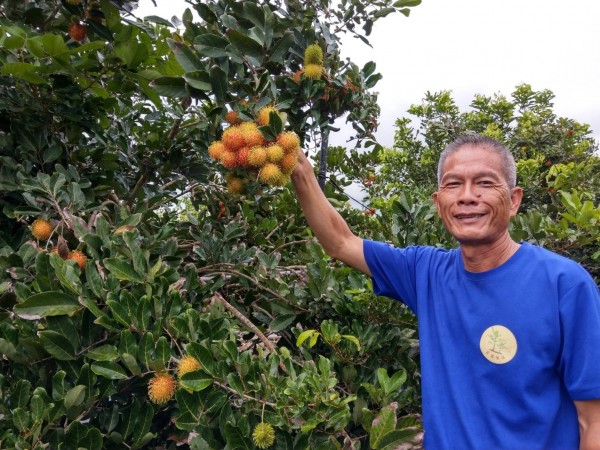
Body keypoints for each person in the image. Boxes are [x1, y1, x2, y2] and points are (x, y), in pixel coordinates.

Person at [291, 134, 600, 449]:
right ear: (439, 204)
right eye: (453, 185)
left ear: (515, 200)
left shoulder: (564, 284)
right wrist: (299, 167)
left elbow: (594, 421)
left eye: (484, 183)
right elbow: (340, 242)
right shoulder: (426, 273)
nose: (467, 196)